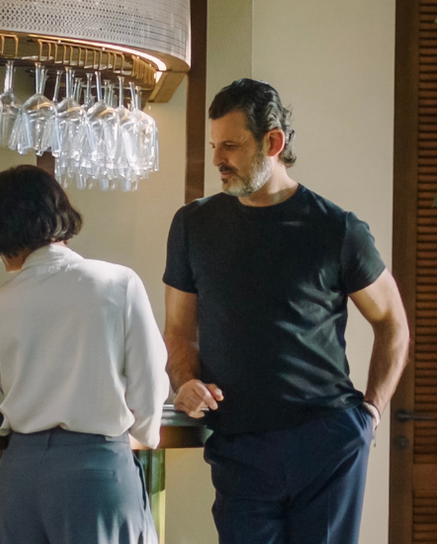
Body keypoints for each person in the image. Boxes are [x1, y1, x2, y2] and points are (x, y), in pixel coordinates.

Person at [163, 79, 412, 543]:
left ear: (273, 142)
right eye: (215, 145)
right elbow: (179, 329)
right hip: (238, 446)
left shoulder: (338, 228)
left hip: (327, 442)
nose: (218, 159)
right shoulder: (193, 225)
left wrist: (371, 414)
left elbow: (391, 321)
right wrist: (185, 381)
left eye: (232, 146)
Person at [0, 165, 169, 544]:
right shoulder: (117, 282)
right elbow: (150, 385)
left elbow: (5, 381)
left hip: (17, 474)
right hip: (95, 471)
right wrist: (141, 434)